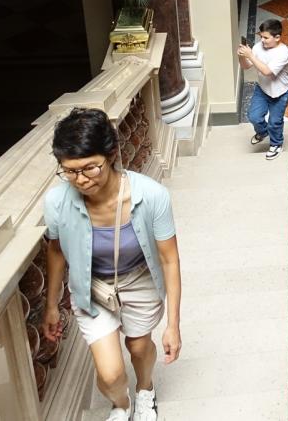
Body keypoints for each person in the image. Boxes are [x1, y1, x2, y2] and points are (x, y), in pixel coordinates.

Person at [43, 108, 182, 421]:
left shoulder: (152, 196)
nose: (80, 180)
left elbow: (169, 259)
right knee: (109, 375)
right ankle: (121, 404)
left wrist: (173, 325)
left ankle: (145, 389)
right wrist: (51, 305)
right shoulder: (56, 202)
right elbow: (56, 250)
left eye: (90, 168)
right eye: (69, 171)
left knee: (138, 347)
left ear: (112, 155)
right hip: (91, 287)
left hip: (139, 281)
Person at [237, 19, 288, 160]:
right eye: (261, 36)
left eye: (266, 38)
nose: (262, 40)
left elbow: (267, 71)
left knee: (275, 122)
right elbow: (246, 66)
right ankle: (263, 132)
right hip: (262, 89)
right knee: (254, 117)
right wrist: (242, 56)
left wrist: (250, 55)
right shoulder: (258, 47)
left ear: (277, 37)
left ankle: (276, 144)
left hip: (281, 93)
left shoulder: (283, 52)